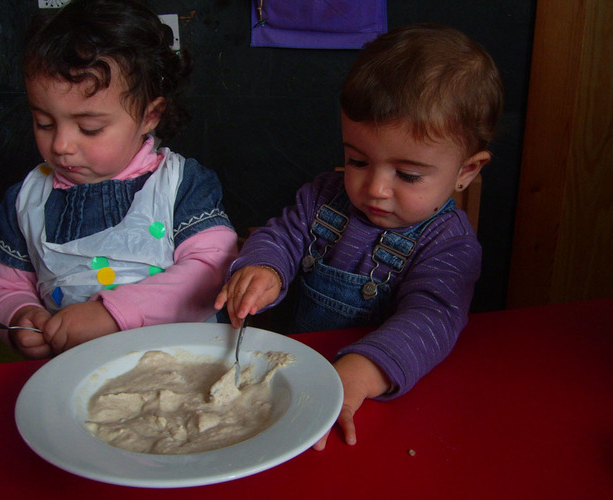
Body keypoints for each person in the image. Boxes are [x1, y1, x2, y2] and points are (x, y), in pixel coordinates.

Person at [215, 24, 504, 449]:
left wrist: (365, 369)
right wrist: (264, 267)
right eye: (357, 160)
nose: (375, 189)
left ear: (467, 171)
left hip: (379, 392)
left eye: (407, 174)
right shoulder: (322, 198)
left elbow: (432, 320)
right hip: (296, 373)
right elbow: (282, 235)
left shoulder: (450, 244)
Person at [0, 0, 238, 359]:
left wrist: (113, 313)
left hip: (185, 365)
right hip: (74, 374)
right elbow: (1, 287)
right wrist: (20, 315)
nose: (62, 145)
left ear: (150, 116)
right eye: (44, 123)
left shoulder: (181, 185)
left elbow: (213, 272)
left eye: (89, 128)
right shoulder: (26, 200)